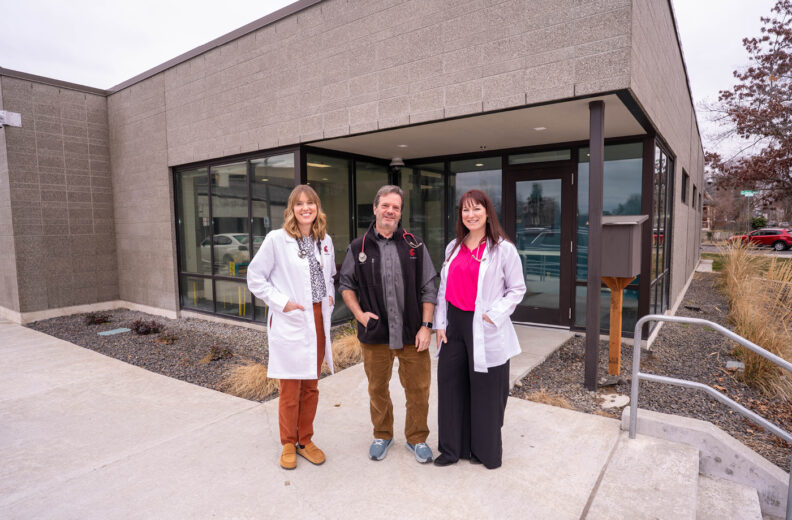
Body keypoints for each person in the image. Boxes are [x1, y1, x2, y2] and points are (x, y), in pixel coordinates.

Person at [339, 185, 438, 464]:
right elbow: (346, 285)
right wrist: (359, 315)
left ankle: (417, 438)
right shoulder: (358, 247)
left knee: (418, 390)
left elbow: (429, 287)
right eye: (385, 205)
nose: (390, 211)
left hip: (412, 334)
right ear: (375, 208)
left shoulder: (415, 245)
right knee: (377, 389)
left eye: (396, 207)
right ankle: (382, 434)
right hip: (375, 335)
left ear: (400, 212)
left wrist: (426, 326)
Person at [433, 189, 526, 469]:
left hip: (485, 325)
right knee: (450, 386)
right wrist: (440, 323)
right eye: (465, 209)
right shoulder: (453, 247)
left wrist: (494, 314)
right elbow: (443, 289)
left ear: (487, 213)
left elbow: (517, 289)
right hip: (454, 325)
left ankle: (484, 451)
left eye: (476, 209)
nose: (470, 215)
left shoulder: (502, 249)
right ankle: (452, 449)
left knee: (486, 390)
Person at [247, 184, 336, 470]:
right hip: (293, 317)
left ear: (317, 207)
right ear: (292, 209)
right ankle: (288, 442)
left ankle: (305, 440)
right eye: (299, 203)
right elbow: (255, 277)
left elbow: (329, 276)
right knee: (290, 387)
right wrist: (282, 303)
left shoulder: (325, 241)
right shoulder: (276, 239)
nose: (305, 208)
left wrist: (329, 295)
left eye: (310, 203)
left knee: (311, 386)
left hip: (318, 318)